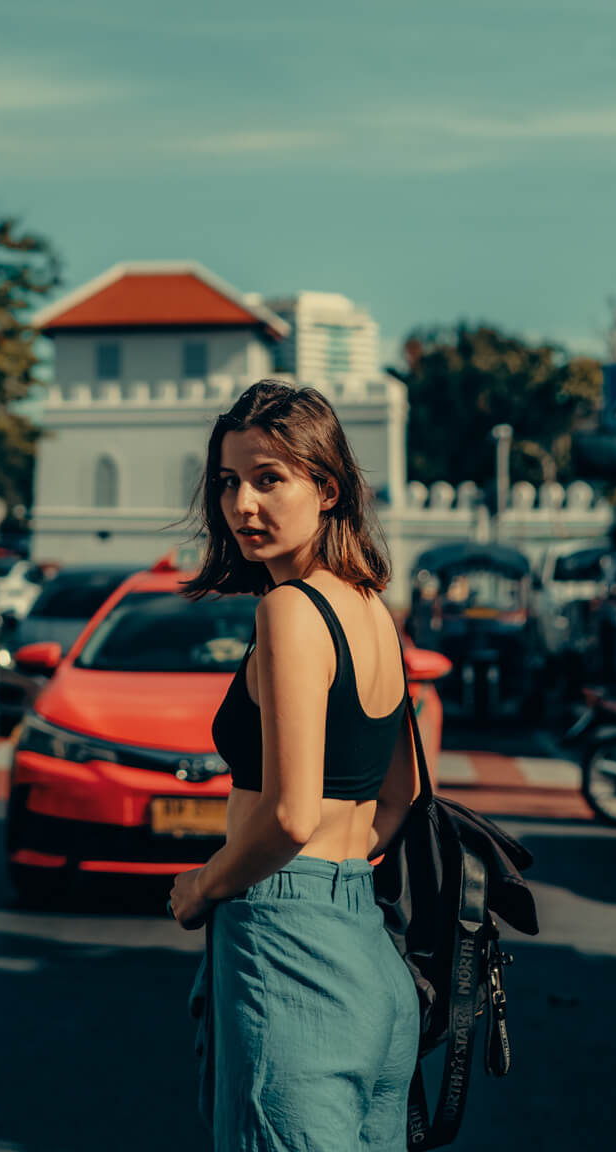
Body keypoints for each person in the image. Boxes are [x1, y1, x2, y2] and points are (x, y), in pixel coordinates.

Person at [170, 381, 420, 1152]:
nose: (241, 504)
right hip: (368, 955)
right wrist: (335, 874)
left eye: (268, 479)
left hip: (288, 946)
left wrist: (204, 885)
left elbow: (288, 816)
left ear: (327, 487)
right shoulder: (371, 607)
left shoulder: (288, 610)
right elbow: (402, 793)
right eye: (226, 482)